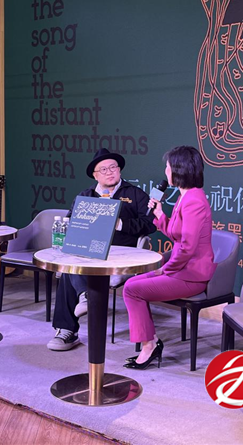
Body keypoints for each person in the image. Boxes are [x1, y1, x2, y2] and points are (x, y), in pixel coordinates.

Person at [47, 148, 157, 351]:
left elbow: (150, 224)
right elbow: (71, 224)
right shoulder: (85, 196)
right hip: (89, 252)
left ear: (120, 170)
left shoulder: (135, 194)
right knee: (70, 266)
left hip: (122, 253)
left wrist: (120, 224)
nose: (109, 172)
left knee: (72, 271)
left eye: (113, 167)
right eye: (103, 169)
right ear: (95, 175)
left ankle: (80, 304)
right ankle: (69, 327)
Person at [122, 146, 216, 369]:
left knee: (132, 290)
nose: (165, 172)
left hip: (191, 275)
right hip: (181, 270)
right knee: (131, 284)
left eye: (167, 167)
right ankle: (150, 342)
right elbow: (177, 234)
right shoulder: (186, 197)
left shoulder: (193, 201)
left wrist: (165, 269)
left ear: (179, 169)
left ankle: (149, 345)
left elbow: (187, 247)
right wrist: (159, 214)